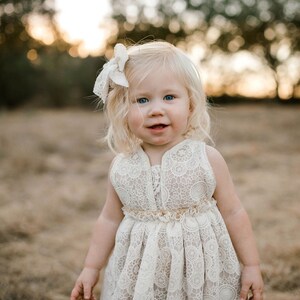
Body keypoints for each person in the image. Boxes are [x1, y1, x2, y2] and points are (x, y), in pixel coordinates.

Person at [70, 41, 264, 300]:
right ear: (123, 110)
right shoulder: (122, 166)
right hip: (141, 276)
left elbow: (234, 211)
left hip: (199, 273)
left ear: (191, 105)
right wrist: (91, 267)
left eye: (169, 97)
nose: (156, 109)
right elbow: (109, 219)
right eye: (142, 100)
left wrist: (251, 265)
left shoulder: (207, 159)